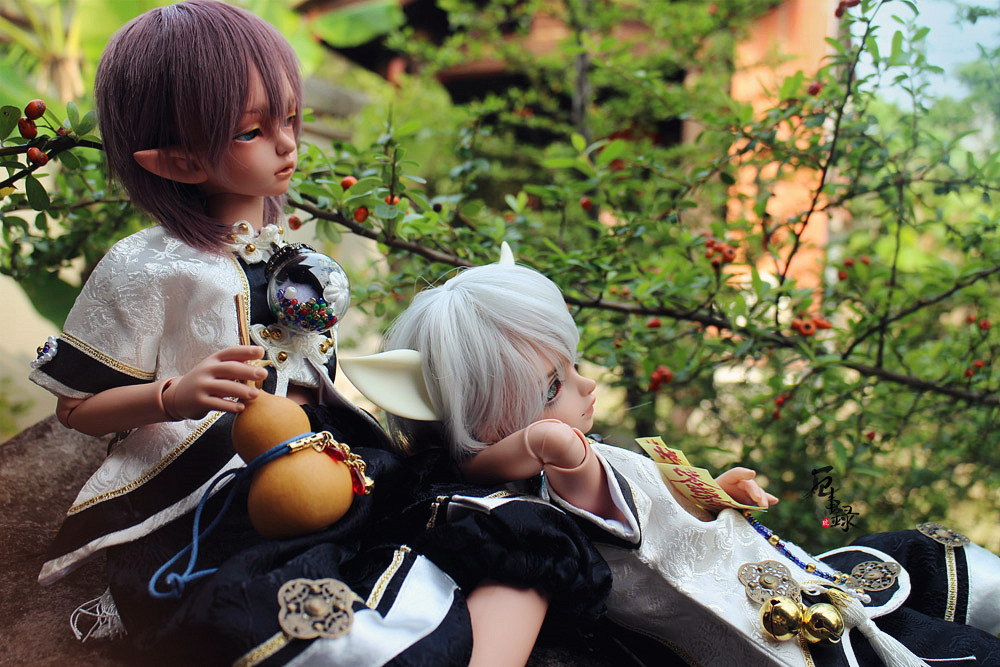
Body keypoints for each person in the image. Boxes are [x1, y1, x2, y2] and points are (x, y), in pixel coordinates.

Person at [28, 4, 478, 664]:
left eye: (290, 119)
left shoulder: (290, 251)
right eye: (252, 131)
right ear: (178, 161)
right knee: (243, 558)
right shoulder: (148, 266)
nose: (288, 144)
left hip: (315, 442)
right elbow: (76, 408)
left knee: (394, 502)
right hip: (205, 479)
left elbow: (309, 362)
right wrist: (171, 397)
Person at [343, 252, 1000, 667]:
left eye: (572, 366)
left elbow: (646, 503)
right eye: (552, 387)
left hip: (788, 584)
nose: (586, 387)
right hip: (763, 633)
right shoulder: (531, 515)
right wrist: (539, 444)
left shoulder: (563, 466)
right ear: (486, 427)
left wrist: (710, 493)